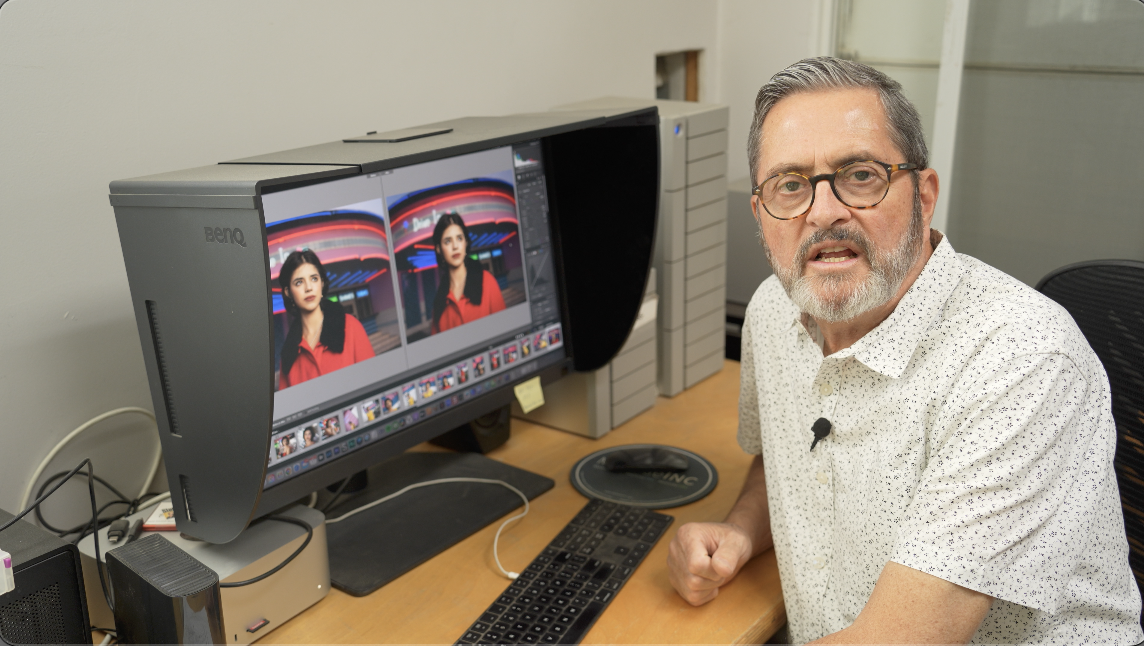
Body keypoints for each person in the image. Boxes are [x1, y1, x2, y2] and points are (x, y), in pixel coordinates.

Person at [666, 57, 1142, 644]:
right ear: (761, 216)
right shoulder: (772, 311)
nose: (823, 211)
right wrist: (740, 530)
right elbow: (787, 460)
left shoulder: (1021, 358)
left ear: (922, 195)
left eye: (860, 174)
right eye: (789, 185)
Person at [277, 249, 375, 389]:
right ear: (288, 292)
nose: (309, 287)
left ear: (322, 284)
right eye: (299, 282)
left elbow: (375, 387)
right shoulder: (287, 358)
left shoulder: (351, 327)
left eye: (314, 279)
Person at [430, 211, 506, 334]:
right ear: (439, 249)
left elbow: (505, 331)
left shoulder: (487, 282)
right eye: (447, 241)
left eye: (459, 238)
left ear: (465, 243)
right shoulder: (438, 305)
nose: (455, 246)